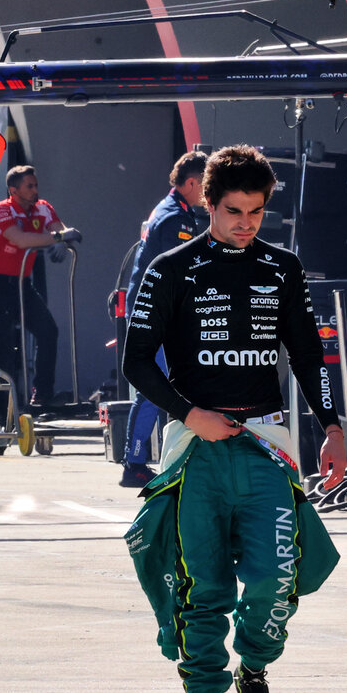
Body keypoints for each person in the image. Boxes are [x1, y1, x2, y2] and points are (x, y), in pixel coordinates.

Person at [123, 144, 346, 693]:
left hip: (265, 445)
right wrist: (190, 413)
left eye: (255, 212)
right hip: (195, 448)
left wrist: (330, 429)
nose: (245, 223)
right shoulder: (171, 266)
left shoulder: (283, 268)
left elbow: (308, 355)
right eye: (233, 210)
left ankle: (254, 668)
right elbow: (135, 360)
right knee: (203, 588)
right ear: (207, 203)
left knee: (277, 580)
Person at [119, 151, 208, 488]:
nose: (208, 191)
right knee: (154, 389)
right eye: (205, 184)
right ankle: (135, 463)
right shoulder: (176, 219)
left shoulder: (172, 208)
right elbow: (181, 270)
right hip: (154, 311)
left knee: (172, 385)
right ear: (190, 183)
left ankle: (151, 459)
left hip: (152, 308)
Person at [0, 165, 79, 408]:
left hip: (22, 284)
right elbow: (21, 239)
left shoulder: (43, 208)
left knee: (48, 331)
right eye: (29, 186)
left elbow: (60, 230)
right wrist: (58, 239)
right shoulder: (1, 211)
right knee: (1, 344)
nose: (35, 190)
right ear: (13, 190)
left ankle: (42, 394)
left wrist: (60, 241)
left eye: (36, 185)